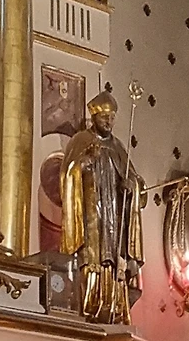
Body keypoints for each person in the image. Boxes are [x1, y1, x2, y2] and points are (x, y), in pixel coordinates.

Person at [60, 84, 145, 327]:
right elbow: (67, 175)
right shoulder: (81, 141)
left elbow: (136, 181)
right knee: (93, 260)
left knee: (114, 261)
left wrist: (131, 186)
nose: (108, 122)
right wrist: (84, 163)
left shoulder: (118, 147)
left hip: (114, 219)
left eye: (112, 118)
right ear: (94, 117)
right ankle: (90, 307)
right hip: (91, 217)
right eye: (104, 117)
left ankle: (116, 309)